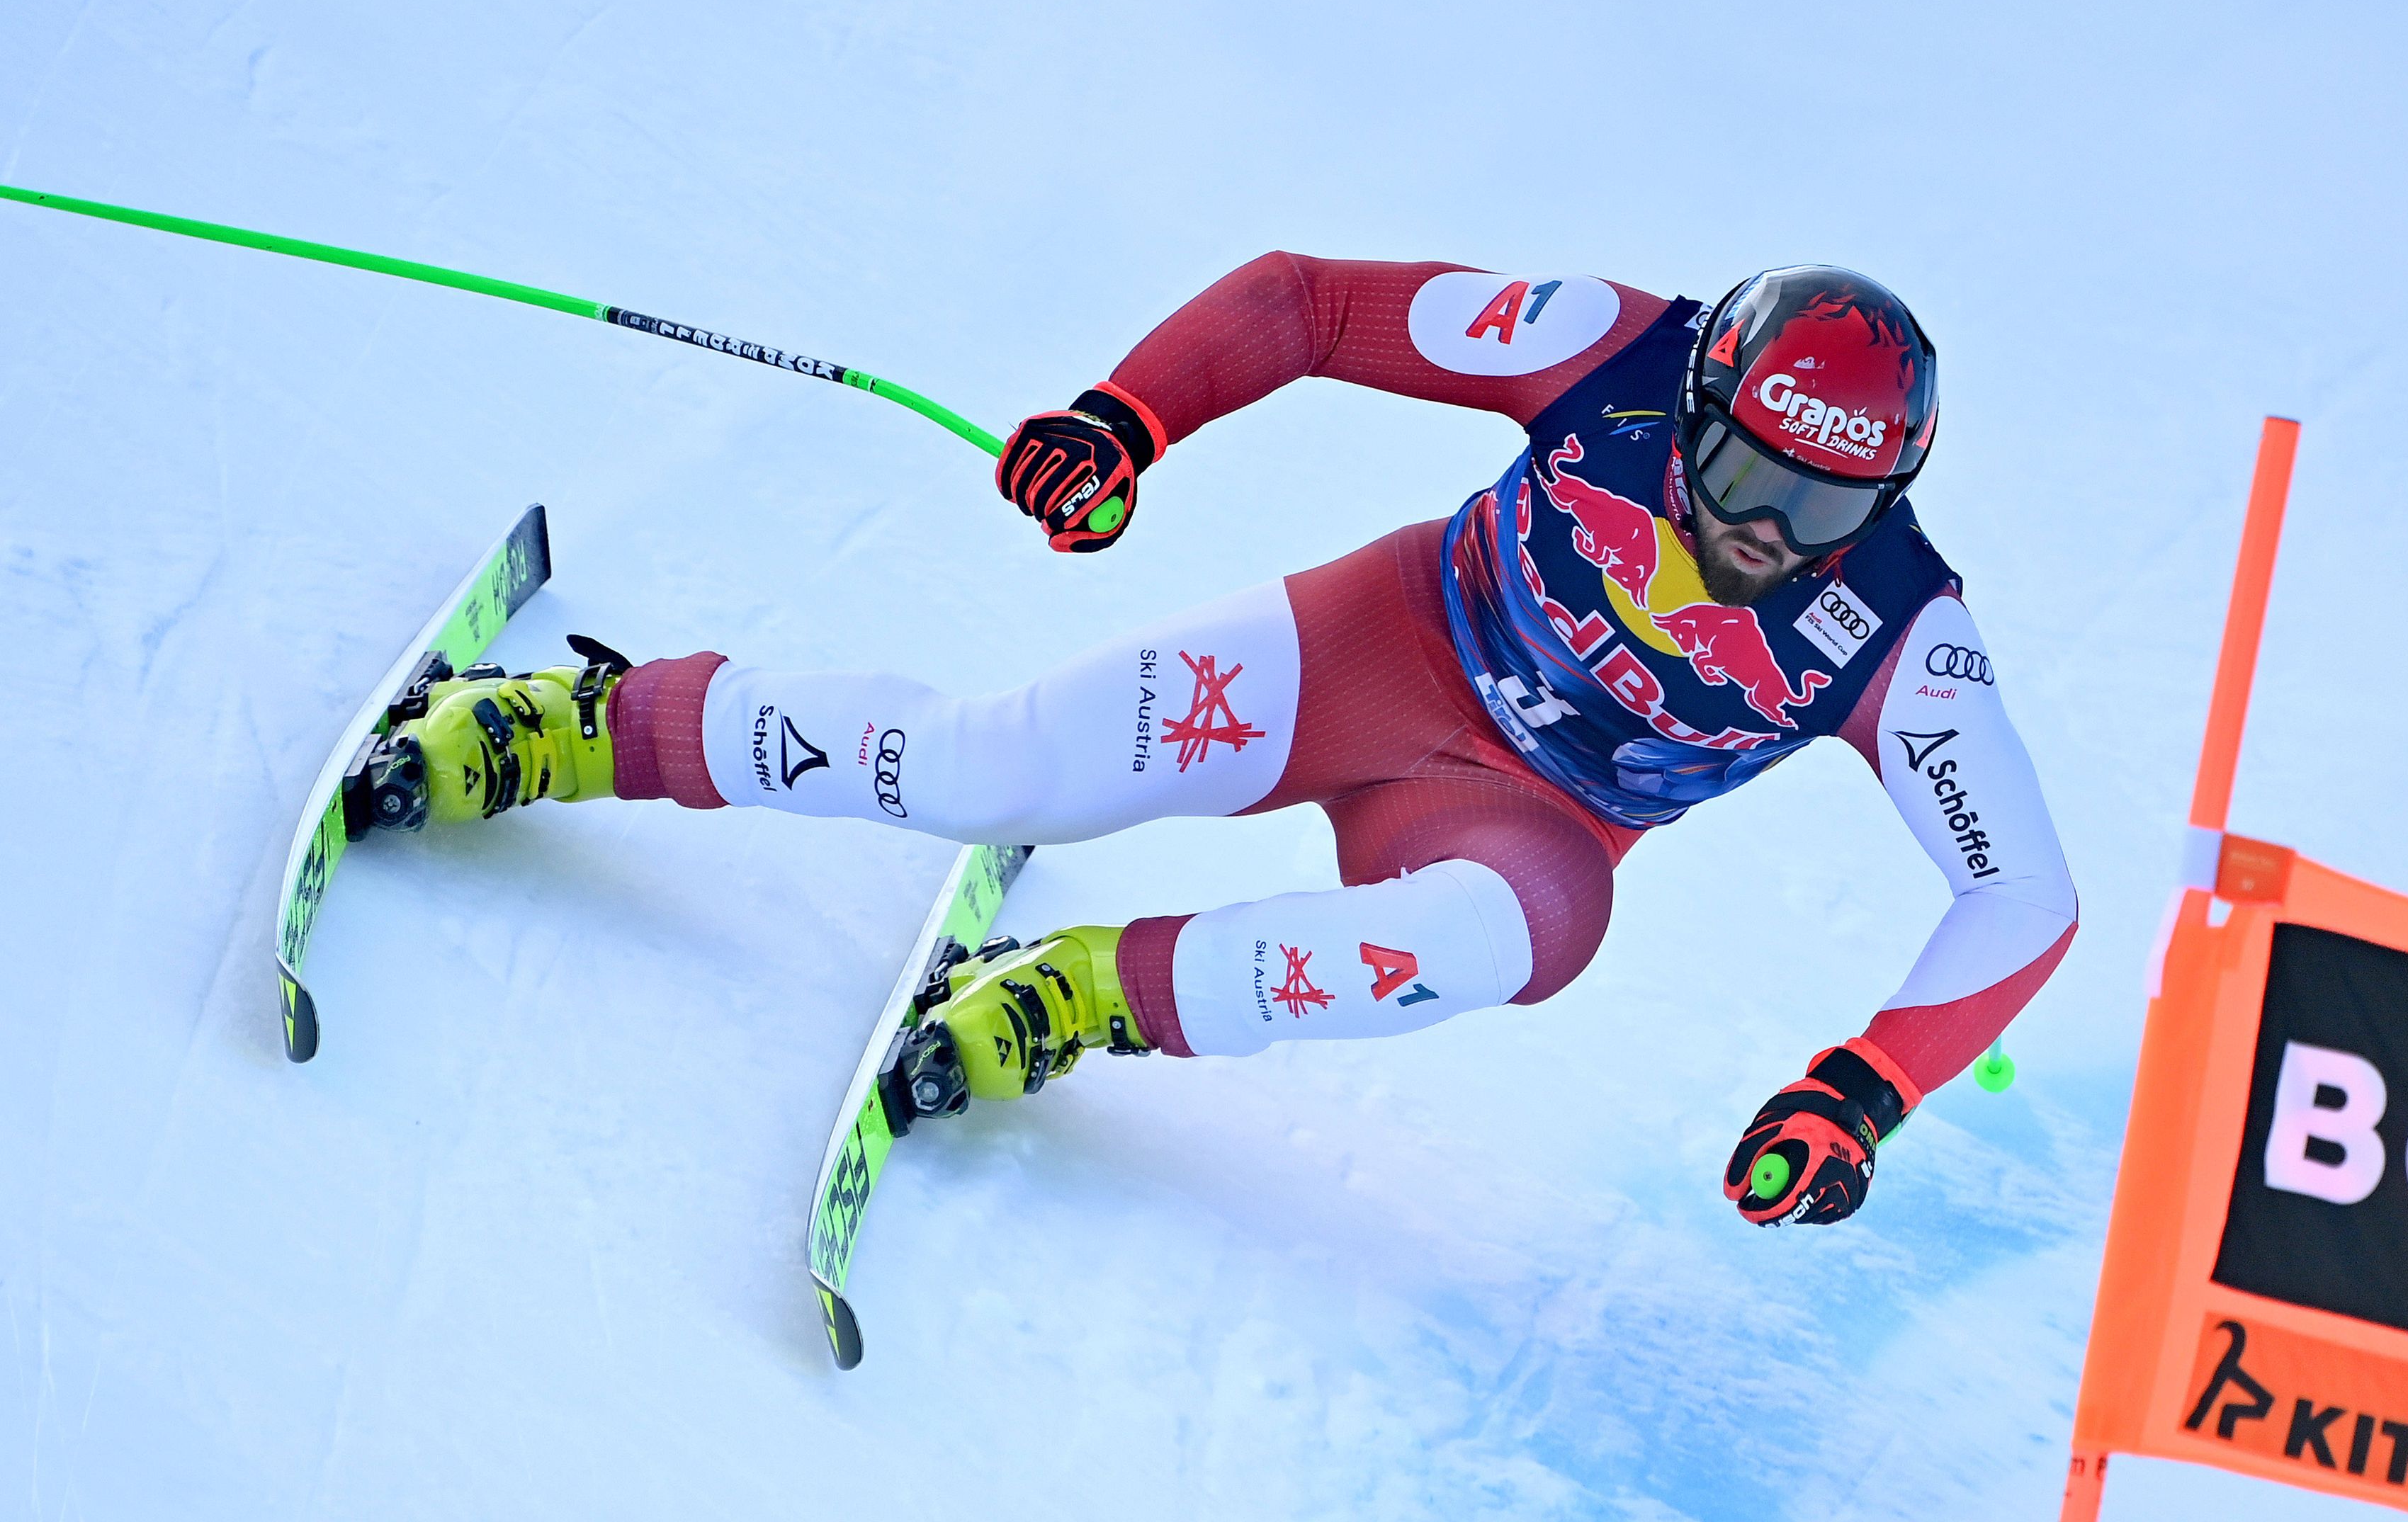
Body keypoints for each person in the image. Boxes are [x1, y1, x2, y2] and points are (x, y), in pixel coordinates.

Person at [378, 258, 2076, 1226]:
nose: (1777, 530)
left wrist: (1864, 1092)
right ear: (1699, 404)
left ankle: (1064, 993)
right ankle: (574, 726)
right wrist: (1127, 421)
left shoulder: (1902, 629)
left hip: (1523, 826)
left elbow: (2023, 896)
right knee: (986, 771)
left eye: (1831, 499)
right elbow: (1307, 303)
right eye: (1756, 477)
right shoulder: (1609, 349)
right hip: (1377, 647)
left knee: (1517, 940)